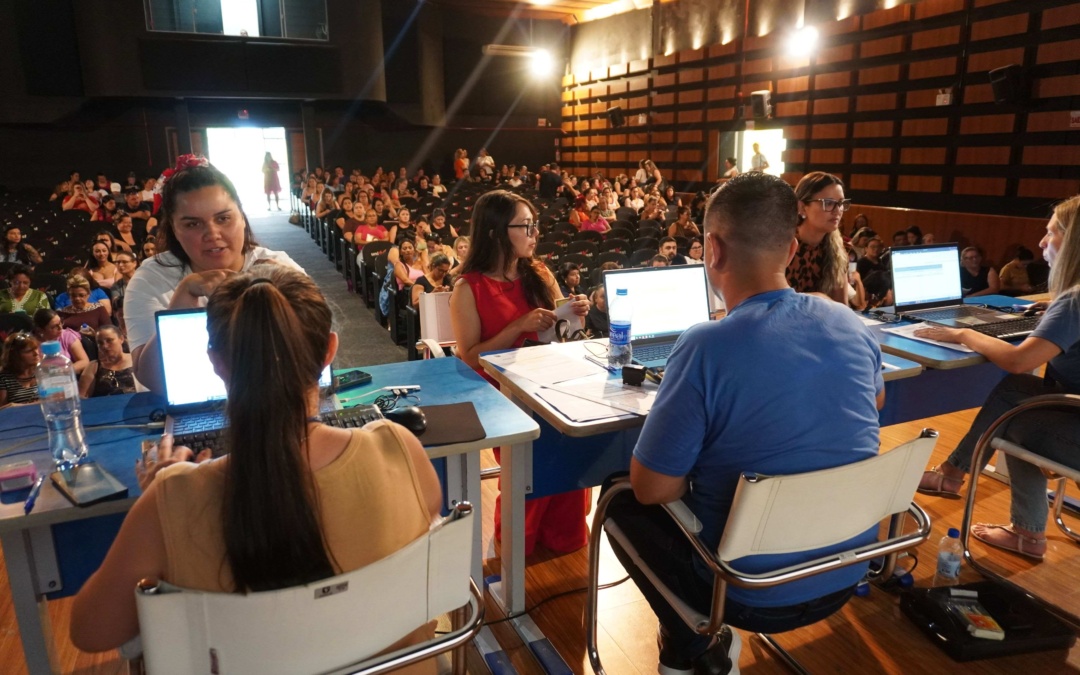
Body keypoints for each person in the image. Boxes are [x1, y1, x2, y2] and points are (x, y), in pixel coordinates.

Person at [69, 266, 443, 666]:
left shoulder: (173, 497)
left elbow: (90, 631)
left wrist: (169, 492)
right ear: (329, 351)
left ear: (215, 362)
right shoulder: (398, 448)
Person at [602, 172, 884, 674]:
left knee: (618, 499)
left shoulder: (706, 344)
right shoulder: (848, 322)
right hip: (847, 573)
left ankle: (695, 648)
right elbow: (875, 402)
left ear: (711, 249)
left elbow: (651, 489)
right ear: (793, 249)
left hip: (750, 594)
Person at [913, 195, 1080, 561]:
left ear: (1072, 243)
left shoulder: (1074, 302)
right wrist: (1055, 308)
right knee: (1016, 393)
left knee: (1011, 415)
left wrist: (962, 334)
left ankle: (959, 480)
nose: (1040, 243)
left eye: (1050, 233)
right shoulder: (1070, 302)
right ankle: (955, 476)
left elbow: (1020, 360)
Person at [449, 190, 590, 556]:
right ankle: (519, 537)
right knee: (539, 442)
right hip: (498, 389)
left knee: (576, 432)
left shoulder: (538, 272)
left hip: (546, 377)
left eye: (533, 225)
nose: (534, 234)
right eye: (525, 226)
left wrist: (575, 312)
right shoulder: (469, 287)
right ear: (496, 231)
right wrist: (518, 326)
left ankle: (564, 536)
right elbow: (470, 358)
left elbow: (561, 330)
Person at [124, 155, 303, 395]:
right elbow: (152, 379)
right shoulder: (151, 279)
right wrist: (185, 295)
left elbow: (314, 358)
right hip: (187, 410)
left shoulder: (280, 266)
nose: (212, 233)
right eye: (192, 224)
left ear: (242, 216)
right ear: (174, 229)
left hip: (271, 402)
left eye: (223, 218)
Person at [786, 172, 850, 304]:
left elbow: (841, 308)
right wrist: (819, 298)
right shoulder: (782, 246)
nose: (838, 210)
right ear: (802, 207)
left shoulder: (837, 249)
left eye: (841, 203)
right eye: (829, 203)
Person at [79, 326, 139, 398]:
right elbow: (82, 397)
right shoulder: (94, 367)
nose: (105, 346)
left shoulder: (136, 360)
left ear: (121, 339)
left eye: (109, 340)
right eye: (100, 343)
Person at [33, 308, 90, 375]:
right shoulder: (32, 344)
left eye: (60, 322)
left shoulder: (67, 336)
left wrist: (62, 371)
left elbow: (84, 361)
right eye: (54, 326)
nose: (60, 328)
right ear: (41, 330)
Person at [0, 332, 41, 407]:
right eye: (29, 351)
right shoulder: (4, 378)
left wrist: (18, 406)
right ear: (16, 355)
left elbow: (56, 399)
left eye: (36, 349)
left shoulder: (44, 370)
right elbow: (2, 409)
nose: (36, 353)